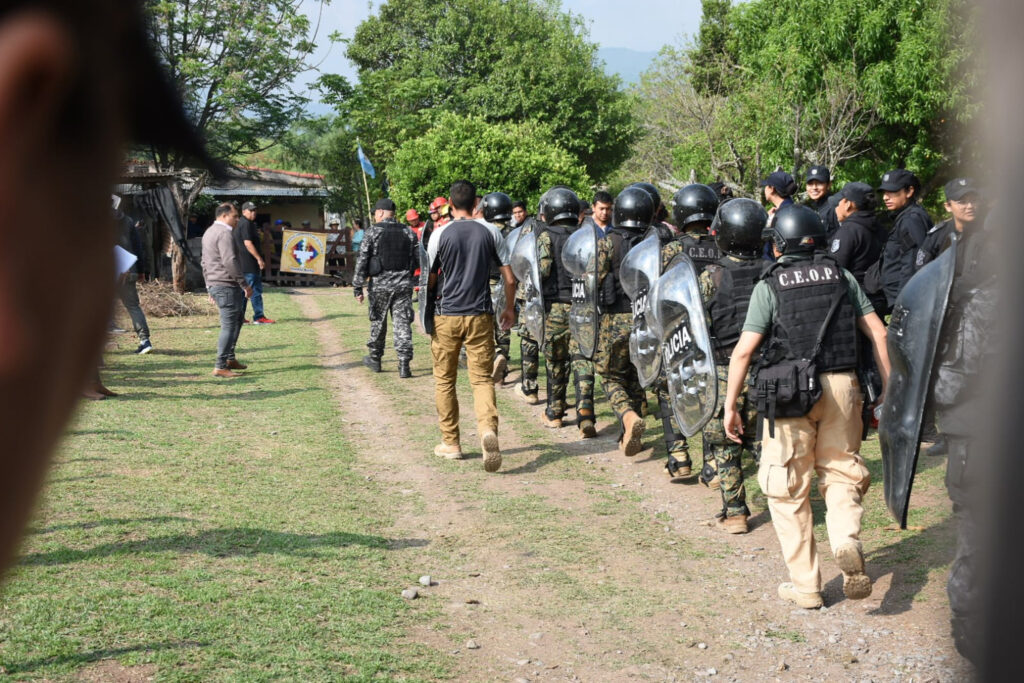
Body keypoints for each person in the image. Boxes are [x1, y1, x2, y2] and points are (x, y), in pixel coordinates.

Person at [724, 204, 890, 609]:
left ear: (780, 243)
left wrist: (730, 406)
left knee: (787, 488)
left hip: (788, 395)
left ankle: (807, 586)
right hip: (843, 387)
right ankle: (846, 538)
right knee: (842, 472)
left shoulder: (770, 284)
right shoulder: (841, 275)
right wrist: (888, 387)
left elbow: (744, 352)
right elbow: (878, 333)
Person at [425, 180, 516, 471]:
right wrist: (510, 309)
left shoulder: (439, 234)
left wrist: (427, 314)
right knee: (481, 380)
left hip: (447, 314)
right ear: (476, 204)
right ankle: (488, 431)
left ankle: (451, 443)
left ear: (449, 205)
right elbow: (510, 279)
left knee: (445, 380)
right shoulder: (490, 232)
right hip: (480, 314)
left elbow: (429, 279)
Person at [698, 199, 768, 534]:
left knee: (725, 443)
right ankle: (781, 497)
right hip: (769, 371)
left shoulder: (710, 277)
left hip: (725, 370)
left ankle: (736, 511)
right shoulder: (773, 272)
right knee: (765, 442)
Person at [595, 187, 653, 456]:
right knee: (636, 376)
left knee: (609, 375)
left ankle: (628, 417)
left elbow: (593, 278)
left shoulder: (609, 241)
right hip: (648, 319)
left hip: (616, 318)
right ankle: (631, 434)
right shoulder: (655, 241)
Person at [536, 187, 597, 438]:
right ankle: (585, 414)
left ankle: (555, 412)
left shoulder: (546, 237)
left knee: (556, 360)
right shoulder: (587, 235)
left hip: (556, 307)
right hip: (584, 305)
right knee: (583, 358)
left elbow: (542, 270)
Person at [353, 198, 419, 378]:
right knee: (402, 324)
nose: (374, 215)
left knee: (378, 322)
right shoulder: (408, 232)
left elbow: (362, 260)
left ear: (381, 212)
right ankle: (404, 364)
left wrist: (357, 287)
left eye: (375, 212)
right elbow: (418, 259)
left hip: (380, 285)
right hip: (403, 285)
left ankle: (375, 359)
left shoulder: (373, 232)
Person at [202, 203, 253, 378]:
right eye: (235, 216)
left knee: (237, 320)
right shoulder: (224, 233)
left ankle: (229, 358)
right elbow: (230, 260)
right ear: (224, 216)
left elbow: (204, 262)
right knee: (229, 326)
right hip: (226, 284)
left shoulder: (209, 232)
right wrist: (244, 284)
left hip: (216, 283)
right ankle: (220, 365)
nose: (238, 219)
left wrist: (209, 286)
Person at [878, 169, 933, 312]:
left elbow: (913, 262)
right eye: (884, 192)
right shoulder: (905, 216)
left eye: (892, 192)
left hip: (906, 299)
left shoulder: (911, 219)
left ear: (909, 192)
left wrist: (903, 304)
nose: (885, 197)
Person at [481, 192, 515, 384]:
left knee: (486, 327)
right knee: (504, 326)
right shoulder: (515, 232)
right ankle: (502, 370)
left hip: (487, 284)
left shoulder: (484, 232)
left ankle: (496, 356)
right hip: (507, 285)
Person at [113, 196, 153, 354]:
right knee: (133, 306)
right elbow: (138, 247)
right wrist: (141, 271)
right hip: (128, 269)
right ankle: (145, 341)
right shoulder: (128, 221)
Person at [916, 178, 980, 271]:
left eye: (974, 200)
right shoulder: (938, 235)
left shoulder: (988, 233)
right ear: (948, 206)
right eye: (962, 202)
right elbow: (921, 270)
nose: (970, 206)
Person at [235, 201, 274, 325]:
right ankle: (259, 317)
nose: (253, 212)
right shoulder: (246, 223)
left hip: (242, 263)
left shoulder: (241, 223)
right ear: (243, 211)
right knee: (254, 290)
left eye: (254, 210)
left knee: (244, 291)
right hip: (248, 263)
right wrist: (259, 258)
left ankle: (239, 317)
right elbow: (248, 243)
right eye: (250, 210)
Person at [804, 165, 840, 237]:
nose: (814, 188)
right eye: (810, 184)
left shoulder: (834, 207)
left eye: (819, 183)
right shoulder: (806, 207)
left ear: (829, 185)